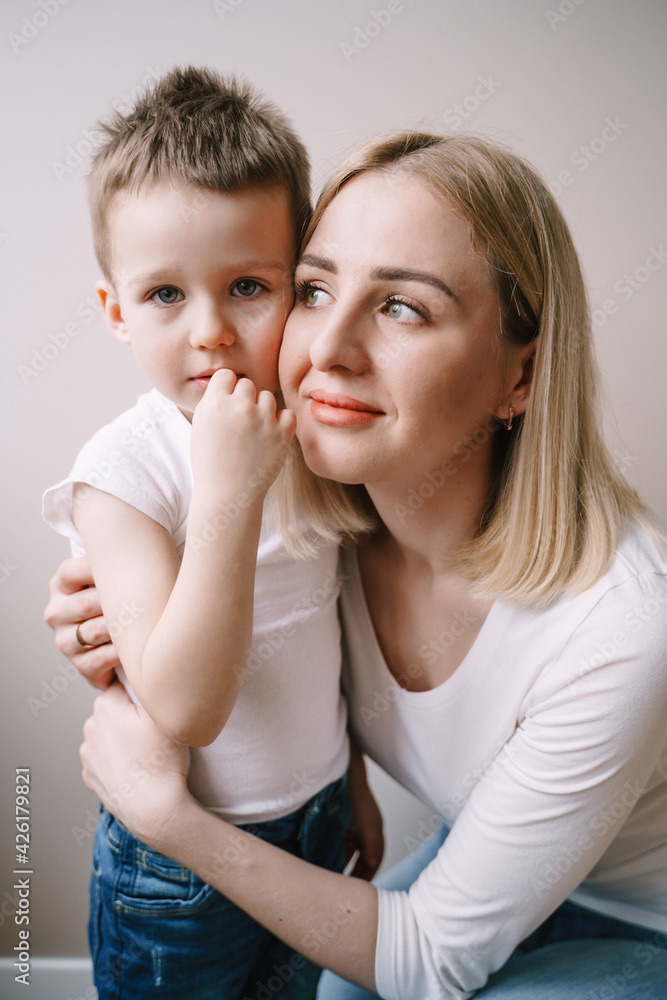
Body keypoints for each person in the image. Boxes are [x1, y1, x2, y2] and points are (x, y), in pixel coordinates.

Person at [46, 130, 667, 998]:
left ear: (519, 376)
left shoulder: (624, 629)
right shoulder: (313, 499)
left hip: (640, 919)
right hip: (493, 852)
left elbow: (428, 960)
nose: (327, 349)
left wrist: (169, 820)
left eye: (403, 307)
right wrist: (113, 614)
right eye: (312, 290)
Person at [41, 66, 384, 1000]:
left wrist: (351, 781)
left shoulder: (311, 432)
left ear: (299, 288)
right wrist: (228, 492)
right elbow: (186, 709)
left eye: (246, 286)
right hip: (178, 867)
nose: (211, 332)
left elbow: (323, 629)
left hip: (314, 819)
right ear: (116, 311)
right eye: (164, 294)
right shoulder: (123, 473)